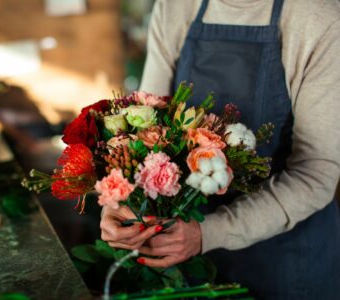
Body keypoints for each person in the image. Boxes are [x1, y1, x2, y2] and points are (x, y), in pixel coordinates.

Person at [100, 0, 340, 298]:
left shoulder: (319, 19)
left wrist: (207, 233)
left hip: (284, 261)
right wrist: (119, 204)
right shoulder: (176, 6)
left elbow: (315, 172)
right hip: (184, 254)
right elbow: (146, 128)